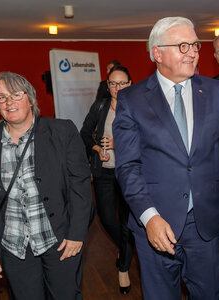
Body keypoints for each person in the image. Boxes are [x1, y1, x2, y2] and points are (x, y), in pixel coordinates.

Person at [113, 16, 219, 300]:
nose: (193, 52)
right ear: (157, 53)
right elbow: (128, 167)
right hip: (156, 226)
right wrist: (149, 217)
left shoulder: (217, 92)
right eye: (183, 46)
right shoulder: (132, 99)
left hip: (207, 227)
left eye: (195, 44)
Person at [0, 72, 92, 299]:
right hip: (13, 247)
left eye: (16, 94)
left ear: (31, 99)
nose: (9, 102)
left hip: (60, 242)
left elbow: (80, 184)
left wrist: (77, 233)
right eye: (1, 97)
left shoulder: (62, 132)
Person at [80, 65, 134, 295]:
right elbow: (84, 132)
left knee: (127, 222)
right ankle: (125, 249)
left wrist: (117, 145)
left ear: (130, 84)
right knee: (106, 218)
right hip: (103, 171)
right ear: (107, 85)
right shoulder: (101, 105)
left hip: (128, 172)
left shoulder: (137, 107)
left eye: (122, 83)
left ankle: (123, 269)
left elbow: (146, 141)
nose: (117, 88)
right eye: (113, 83)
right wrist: (95, 148)